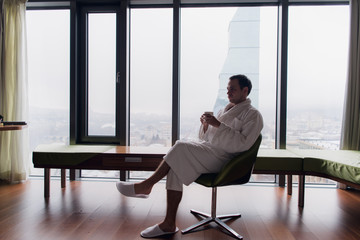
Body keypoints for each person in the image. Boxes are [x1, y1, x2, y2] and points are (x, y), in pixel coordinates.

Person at [116, 74, 263, 238]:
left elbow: (243, 144)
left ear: (245, 90)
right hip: (211, 152)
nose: (228, 92)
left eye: (233, 89)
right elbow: (205, 139)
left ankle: (147, 185)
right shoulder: (224, 109)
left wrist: (218, 125)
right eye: (227, 88)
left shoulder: (253, 115)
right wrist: (206, 126)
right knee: (175, 166)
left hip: (227, 161)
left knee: (180, 147)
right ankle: (168, 224)